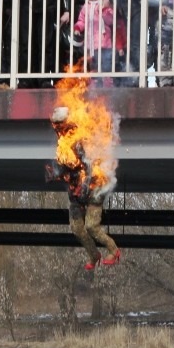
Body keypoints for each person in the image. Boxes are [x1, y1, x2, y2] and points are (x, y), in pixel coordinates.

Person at [45, 105, 120, 270]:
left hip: (94, 188)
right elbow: (66, 168)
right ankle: (94, 255)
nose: (59, 129)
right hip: (76, 190)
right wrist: (54, 174)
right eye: (57, 126)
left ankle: (113, 250)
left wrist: (85, 185)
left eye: (61, 125)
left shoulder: (80, 142)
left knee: (91, 226)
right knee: (77, 228)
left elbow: (90, 167)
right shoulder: (63, 145)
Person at [73, 0, 121, 86]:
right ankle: (96, 86)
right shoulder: (86, 7)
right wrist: (78, 28)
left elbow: (110, 20)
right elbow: (82, 20)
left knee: (105, 65)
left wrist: (103, 9)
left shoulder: (104, 4)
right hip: (91, 44)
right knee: (93, 66)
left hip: (104, 43)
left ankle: (107, 86)